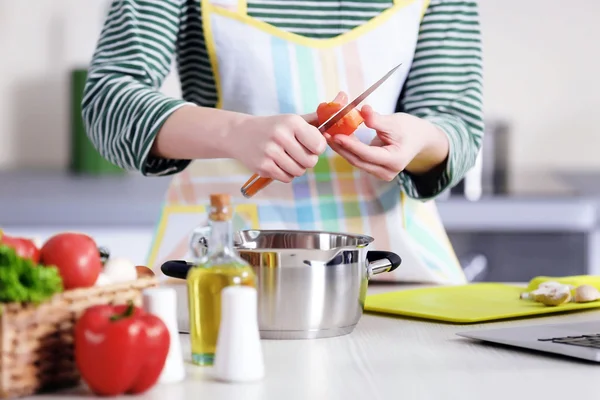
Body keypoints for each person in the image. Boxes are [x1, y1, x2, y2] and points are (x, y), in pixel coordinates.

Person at [83, 0, 483, 284]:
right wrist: (234, 132)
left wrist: (419, 141)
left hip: (387, 271)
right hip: (219, 270)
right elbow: (108, 100)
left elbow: (457, 128)